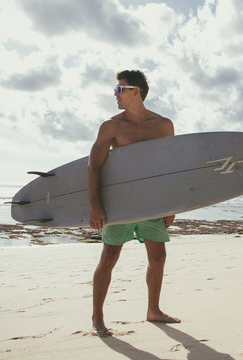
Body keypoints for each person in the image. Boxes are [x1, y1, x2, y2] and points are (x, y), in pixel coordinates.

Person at [88, 70, 180, 337]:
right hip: (121, 204)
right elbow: (93, 166)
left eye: (119, 90)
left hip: (153, 202)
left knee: (159, 257)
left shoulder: (164, 126)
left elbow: (171, 167)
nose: (114, 95)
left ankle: (153, 310)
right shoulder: (112, 127)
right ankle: (98, 317)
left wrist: (171, 204)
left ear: (135, 91)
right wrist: (96, 205)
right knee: (109, 257)